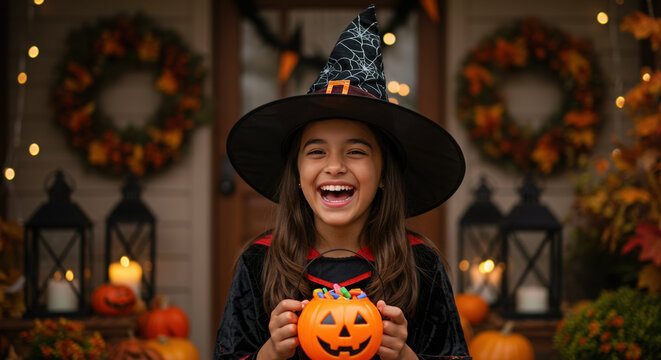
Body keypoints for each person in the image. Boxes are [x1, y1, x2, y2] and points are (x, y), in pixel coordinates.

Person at [215, 5, 470, 360]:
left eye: (356, 152)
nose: (334, 166)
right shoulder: (260, 262)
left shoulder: (420, 264)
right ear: (297, 176)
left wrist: (405, 356)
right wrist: (270, 352)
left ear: (383, 175)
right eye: (316, 152)